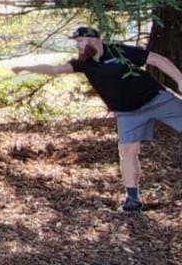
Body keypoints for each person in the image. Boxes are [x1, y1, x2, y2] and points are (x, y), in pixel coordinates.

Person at [11, 26, 182, 212]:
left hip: (157, 100)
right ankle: (132, 199)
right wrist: (26, 67)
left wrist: (180, 80)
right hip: (127, 113)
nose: (78, 46)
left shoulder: (119, 51)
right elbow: (54, 69)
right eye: (76, 42)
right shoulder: (84, 63)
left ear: (94, 40)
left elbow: (157, 59)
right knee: (127, 151)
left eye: (81, 41)